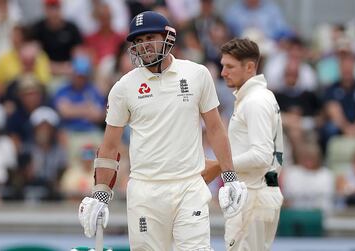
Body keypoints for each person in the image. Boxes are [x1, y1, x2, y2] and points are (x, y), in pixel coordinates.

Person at [78, 11, 246, 250]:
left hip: (190, 186)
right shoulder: (123, 87)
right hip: (145, 192)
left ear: (168, 37)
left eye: (149, 38)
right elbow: (109, 146)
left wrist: (230, 177)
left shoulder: (197, 75)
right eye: (138, 42)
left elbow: (216, 129)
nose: (144, 46)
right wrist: (100, 195)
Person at [202, 38, 284, 250]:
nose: (223, 72)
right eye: (222, 65)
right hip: (258, 193)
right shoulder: (258, 97)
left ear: (249, 67)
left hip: (254, 196)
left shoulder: (255, 101)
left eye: (229, 66)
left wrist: (219, 165)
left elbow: (261, 156)